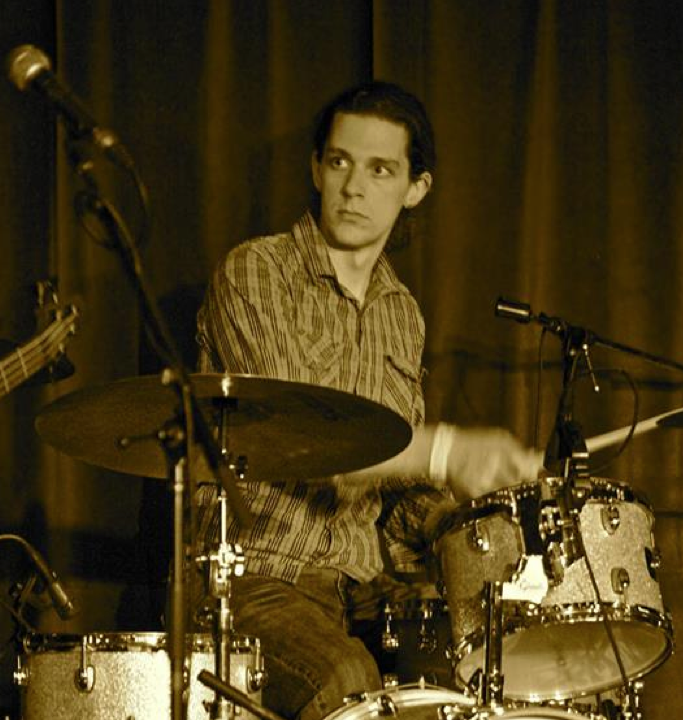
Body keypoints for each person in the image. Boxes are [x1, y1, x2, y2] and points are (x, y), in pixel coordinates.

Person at [195, 80, 540, 720]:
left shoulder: (402, 314)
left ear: (416, 188)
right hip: (253, 581)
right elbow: (307, 439)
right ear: (316, 170)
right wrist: (448, 450)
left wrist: (474, 514)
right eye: (340, 162)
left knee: (487, 682)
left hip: (363, 596)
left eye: (380, 169)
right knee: (348, 679)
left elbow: (396, 500)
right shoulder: (256, 272)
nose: (353, 187)